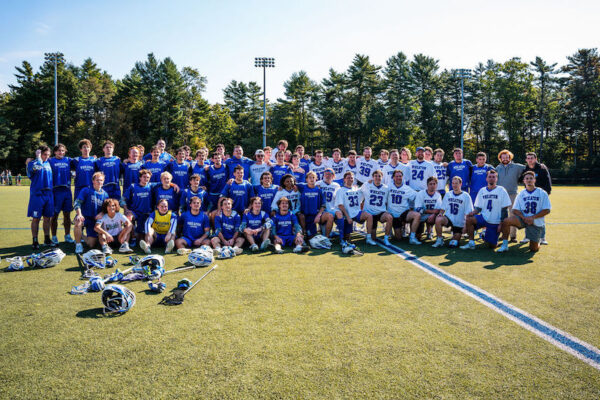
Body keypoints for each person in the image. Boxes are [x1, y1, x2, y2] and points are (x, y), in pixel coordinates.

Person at [498, 171, 551, 253]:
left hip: (536, 221)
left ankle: (538, 241)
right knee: (506, 221)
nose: (529, 180)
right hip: (523, 219)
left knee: (533, 249)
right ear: (524, 181)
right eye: (527, 178)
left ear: (534, 180)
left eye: (531, 178)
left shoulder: (542, 193)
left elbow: (547, 210)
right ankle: (505, 245)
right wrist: (524, 217)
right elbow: (515, 210)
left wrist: (532, 217)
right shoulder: (521, 194)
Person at [461, 169, 512, 250]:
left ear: (496, 179)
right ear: (486, 179)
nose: (491, 178)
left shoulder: (501, 190)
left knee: (492, 246)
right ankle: (471, 243)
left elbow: (505, 208)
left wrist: (501, 223)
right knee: (469, 219)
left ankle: (501, 243)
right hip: (484, 217)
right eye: (489, 177)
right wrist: (472, 212)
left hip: (495, 221)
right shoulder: (482, 190)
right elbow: (478, 208)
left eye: (493, 177)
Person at [334, 171, 374, 247]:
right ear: (344, 180)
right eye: (348, 178)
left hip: (356, 213)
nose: (350, 179)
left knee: (369, 216)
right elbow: (340, 205)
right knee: (347, 238)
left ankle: (368, 238)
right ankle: (341, 237)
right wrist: (348, 217)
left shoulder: (356, 189)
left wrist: (368, 182)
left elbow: (364, 189)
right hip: (347, 215)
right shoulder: (340, 190)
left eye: (351, 178)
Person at [73, 172, 109, 254]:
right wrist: (79, 214)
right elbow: (77, 203)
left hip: (94, 220)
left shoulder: (105, 194)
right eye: (97, 180)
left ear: (103, 182)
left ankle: (80, 235)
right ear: (93, 181)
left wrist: (102, 213)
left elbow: (106, 209)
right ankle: (78, 244)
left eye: (101, 180)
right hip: (84, 217)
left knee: (91, 244)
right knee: (78, 221)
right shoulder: (86, 190)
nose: (99, 182)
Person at [433, 176, 473, 248]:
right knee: (438, 219)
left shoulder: (466, 196)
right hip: (449, 219)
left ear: (461, 184)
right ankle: (439, 239)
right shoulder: (448, 194)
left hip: (460, 222)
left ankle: (455, 235)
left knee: (453, 243)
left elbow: (469, 213)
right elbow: (443, 208)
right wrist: (440, 214)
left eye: (456, 183)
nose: (454, 185)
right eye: (453, 183)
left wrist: (465, 226)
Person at [26, 146, 54, 250]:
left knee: (47, 218)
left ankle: (47, 239)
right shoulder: (33, 163)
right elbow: (35, 167)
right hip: (37, 194)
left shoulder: (49, 163)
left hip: (49, 194)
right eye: (44, 154)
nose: (46, 157)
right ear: (39, 153)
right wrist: (38, 157)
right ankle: (35, 240)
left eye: (48, 155)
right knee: (36, 218)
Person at [521, 152, 552, 245]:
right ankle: (527, 237)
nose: (530, 160)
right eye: (528, 158)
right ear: (526, 160)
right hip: (529, 196)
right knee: (527, 215)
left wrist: (547, 193)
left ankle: (542, 237)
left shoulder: (542, 168)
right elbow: (524, 181)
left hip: (540, 195)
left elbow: (548, 181)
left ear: (535, 159)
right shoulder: (526, 168)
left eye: (532, 158)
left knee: (540, 216)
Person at [380, 169, 417, 246]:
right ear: (393, 177)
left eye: (400, 176)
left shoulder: (407, 188)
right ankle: (395, 228)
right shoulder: (388, 187)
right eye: (396, 176)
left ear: (402, 177)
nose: (398, 178)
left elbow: (417, 197)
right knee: (399, 238)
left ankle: (412, 237)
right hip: (393, 215)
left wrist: (413, 207)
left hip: (404, 213)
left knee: (417, 215)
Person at [496, 149, 525, 242]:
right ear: (500, 158)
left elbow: (529, 167)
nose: (505, 159)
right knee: (502, 216)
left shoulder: (517, 167)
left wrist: (540, 165)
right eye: (503, 157)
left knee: (512, 216)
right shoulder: (497, 168)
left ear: (510, 157)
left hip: (513, 194)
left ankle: (513, 236)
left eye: (507, 157)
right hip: (501, 195)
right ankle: (504, 235)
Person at [121, 169, 157, 245]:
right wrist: (126, 209)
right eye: (144, 177)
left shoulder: (151, 186)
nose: (146, 179)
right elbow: (122, 199)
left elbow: (165, 182)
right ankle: (132, 238)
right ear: (140, 178)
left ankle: (142, 238)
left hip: (147, 213)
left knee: (141, 238)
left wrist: (174, 185)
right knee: (128, 218)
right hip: (135, 212)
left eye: (148, 177)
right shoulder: (133, 186)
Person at [48, 143, 75, 245]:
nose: (61, 152)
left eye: (63, 151)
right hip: (55, 191)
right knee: (54, 215)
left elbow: (81, 161)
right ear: (55, 152)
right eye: (59, 150)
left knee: (67, 215)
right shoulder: (50, 160)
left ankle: (67, 235)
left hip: (67, 190)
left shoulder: (68, 160)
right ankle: (54, 237)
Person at [406, 176, 442, 245]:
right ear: (427, 185)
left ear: (436, 185)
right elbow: (418, 209)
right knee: (418, 236)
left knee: (438, 217)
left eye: (434, 184)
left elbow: (439, 209)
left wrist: (433, 214)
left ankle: (434, 234)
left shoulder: (438, 195)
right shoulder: (421, 193)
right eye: (430, 184)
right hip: (421, 217)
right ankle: (413, 235)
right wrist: (432, 212)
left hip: (431, 216)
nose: (432, 186)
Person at [360, 170, 389, 243]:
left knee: (389, 217)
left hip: (380, 212)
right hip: (370, 213)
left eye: (379, 176)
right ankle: (369, 237)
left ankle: (386, 238)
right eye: (375, 176)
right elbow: (359, 193)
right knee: (373, 238)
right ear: (372, 177)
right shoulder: (367, 185)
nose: (377, 178)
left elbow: (387, 201)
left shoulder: (386, 188)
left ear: (382, 177)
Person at [296, 171, 325, 238]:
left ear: (316, 179)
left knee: (311, 236)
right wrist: (281, 187)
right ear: (306, 179)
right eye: (310, 178)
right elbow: (291, 183)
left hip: (314, 215)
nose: (312, 179)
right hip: (304, 214)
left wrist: (318, 215)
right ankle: (303, 231)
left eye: (313, 177)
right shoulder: (302, 187)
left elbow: (323, 204)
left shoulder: (319, 190)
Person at [316, 168, 341, 237]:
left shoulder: (336, 185)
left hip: (332, 209)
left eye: (329, 174)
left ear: (333, 176)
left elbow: (339, 198)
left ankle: (343, 235)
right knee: (326, 233)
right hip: (321, 211)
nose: (327, 176)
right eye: (326, 174)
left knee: (341, 214)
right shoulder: (318, 183)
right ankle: (327, 236)